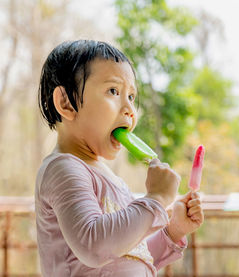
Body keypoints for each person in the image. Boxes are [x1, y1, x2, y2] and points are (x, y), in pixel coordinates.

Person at [35, 40, 204, 276]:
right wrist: (154, 200)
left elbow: (128, 259)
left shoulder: (112, 180)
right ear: (66, 103)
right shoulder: (64, 168)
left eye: (132, 97)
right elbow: (94, 246)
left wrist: (172, 231)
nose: (130, 109)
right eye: (113, 91)